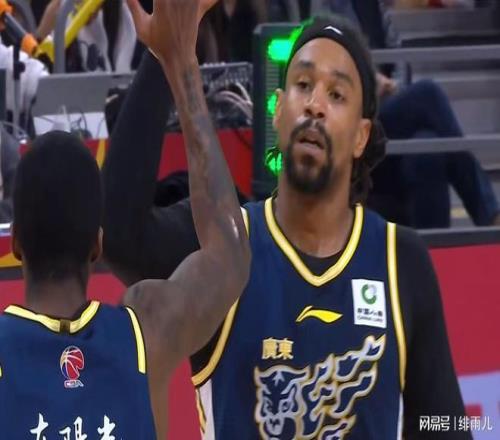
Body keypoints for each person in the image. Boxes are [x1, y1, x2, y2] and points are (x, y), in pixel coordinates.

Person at [104, 9, 470, 439]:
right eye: (303, 85)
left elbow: (445, 424)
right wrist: (162, 55)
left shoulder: (400, 261)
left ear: (361, 136)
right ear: (277, 111)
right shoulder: (224, 245)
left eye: (337, 94)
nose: (315, 104)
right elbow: (118, 234)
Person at [0, 0, 250, 438]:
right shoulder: (145, 334)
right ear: (97, 244)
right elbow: (229, 250)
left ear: (16, 243)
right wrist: (180, 62)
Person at [317, 0, 500, 228]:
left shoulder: (376, 8)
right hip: (352, 129)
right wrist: (369, 82)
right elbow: (333, 59)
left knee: (427, 148)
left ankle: (434, 247)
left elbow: (399, 62)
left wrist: (393, 86)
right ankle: (490, 214)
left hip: (383, 122)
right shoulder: (332, 6)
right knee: (428, 94)